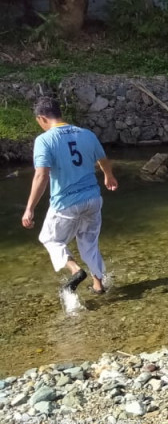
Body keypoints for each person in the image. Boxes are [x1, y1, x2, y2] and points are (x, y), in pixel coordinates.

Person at [21, 96, 118, 295]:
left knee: (49, 238)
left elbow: (42, 175)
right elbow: (103, 159)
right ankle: (98, 285)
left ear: (42, 118)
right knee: (90, 243)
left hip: (66, 202)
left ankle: (75, 270)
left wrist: (29, 208)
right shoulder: (87, 134)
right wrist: (109, 177)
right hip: (93, 198)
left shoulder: (44, 140)